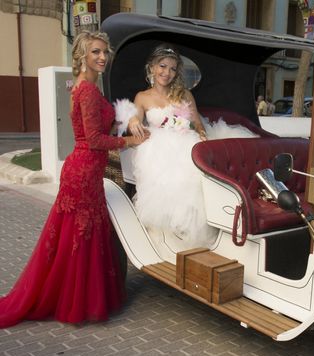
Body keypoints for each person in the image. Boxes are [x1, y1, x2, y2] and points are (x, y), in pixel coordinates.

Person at [0, 31, 147, 328]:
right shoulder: (87, 90)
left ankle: (72, 296)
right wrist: (130, 142)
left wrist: (127, 119)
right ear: (82, 56)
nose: (102, 57)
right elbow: (93, 139)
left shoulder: (88, 87)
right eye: (95, 52)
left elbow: (99, 126)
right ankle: (75, 301)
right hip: (83, 170)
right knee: (79, 237)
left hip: (86, 170)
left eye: (105, 51)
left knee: (77, 237)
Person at [126, 45, 214, 247]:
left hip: (186, 143)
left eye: (173, 69)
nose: (167, 73)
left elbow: (198, 124)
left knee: (192, 180)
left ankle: (188, 238)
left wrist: (202, 136)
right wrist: (133, 121)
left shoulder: (184, 94)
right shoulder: (142, 97)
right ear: (152, 67)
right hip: (157, 149)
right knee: (165, 180)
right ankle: (164, 238)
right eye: (163, 66)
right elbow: (135, 121)